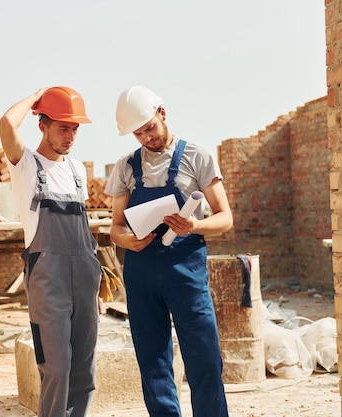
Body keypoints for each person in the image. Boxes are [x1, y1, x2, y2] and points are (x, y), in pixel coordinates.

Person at [104, 85, 233, 417]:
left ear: (162, 114)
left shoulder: (198, 157)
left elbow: (225, 218)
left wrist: (194, 226)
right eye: (138, 134)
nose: (147, 138)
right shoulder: (126, 167)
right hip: (141, 271)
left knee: (203, 357)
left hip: (185, 271)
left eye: (150, 128)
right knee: (153, 360)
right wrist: (126, 240)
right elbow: (115, 228)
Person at [0, 86, 103, 417]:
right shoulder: (26, 165)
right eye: (63, 126)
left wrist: (97, 287)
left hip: (84, 280)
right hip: (48, 282)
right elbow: (6, 124)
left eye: (74, 128)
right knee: (56, 368)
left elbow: (84, 232)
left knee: (83, 372)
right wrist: (36, 96)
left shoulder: (77, 172)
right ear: (42, 124)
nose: (70, 135)